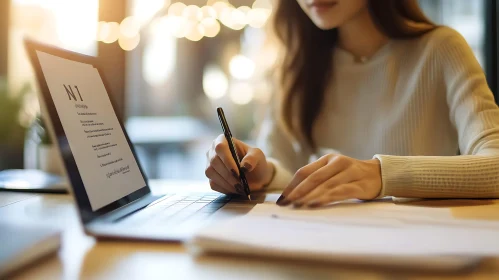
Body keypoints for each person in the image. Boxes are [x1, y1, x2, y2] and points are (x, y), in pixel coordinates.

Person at [205, 0, 499, 208]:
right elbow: (286, 168)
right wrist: (261, 173)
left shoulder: (441, 49)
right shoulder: (296, 67)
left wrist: (380, 175)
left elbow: (495, 167)